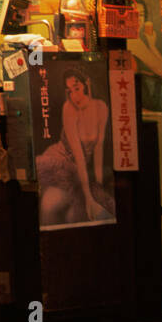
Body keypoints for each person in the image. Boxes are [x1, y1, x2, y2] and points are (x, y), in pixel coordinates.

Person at [36, 69, 114, 227]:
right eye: (70, 91)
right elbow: (78, 155)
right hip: (61, 161)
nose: (74, 95)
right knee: (51, 204)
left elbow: (98, 148)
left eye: (76, 88)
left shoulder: (100, 107)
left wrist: (97, 186)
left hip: (84, 168)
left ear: (87, 85)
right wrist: (89, 198)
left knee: (91, 210)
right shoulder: (69, 109)